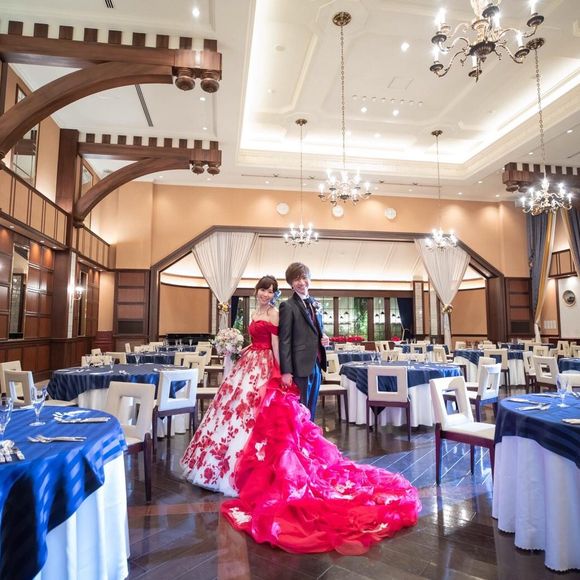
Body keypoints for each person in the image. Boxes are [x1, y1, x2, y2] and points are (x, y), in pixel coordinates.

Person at [181, 274, 420, 555]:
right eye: (262, 290)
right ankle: (218, 467)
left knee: (266, 419)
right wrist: (239, 348)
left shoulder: (275, 312)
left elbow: (277, 344)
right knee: (232, 414)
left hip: (265, 367)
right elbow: (258, 340)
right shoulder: (255, 312)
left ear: (274, 294)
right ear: (256, 291)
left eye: (270, 291)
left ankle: (251, 469)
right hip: (249, 361)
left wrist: (280, 372)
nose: (265, 294)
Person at [278, 262, 328, 418]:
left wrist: (324, 337)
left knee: (312, 408)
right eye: (296, 279)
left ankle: (310, 434)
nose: (301, 282)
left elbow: (318, 329)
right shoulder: (287, 306)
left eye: (304, 278)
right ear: (291, 284)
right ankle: (300, 434)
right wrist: (286, 371)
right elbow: (284, 340)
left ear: (309, 279)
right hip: (299, 366)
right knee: (300, 409)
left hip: (317, 363)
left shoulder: (316, 303)